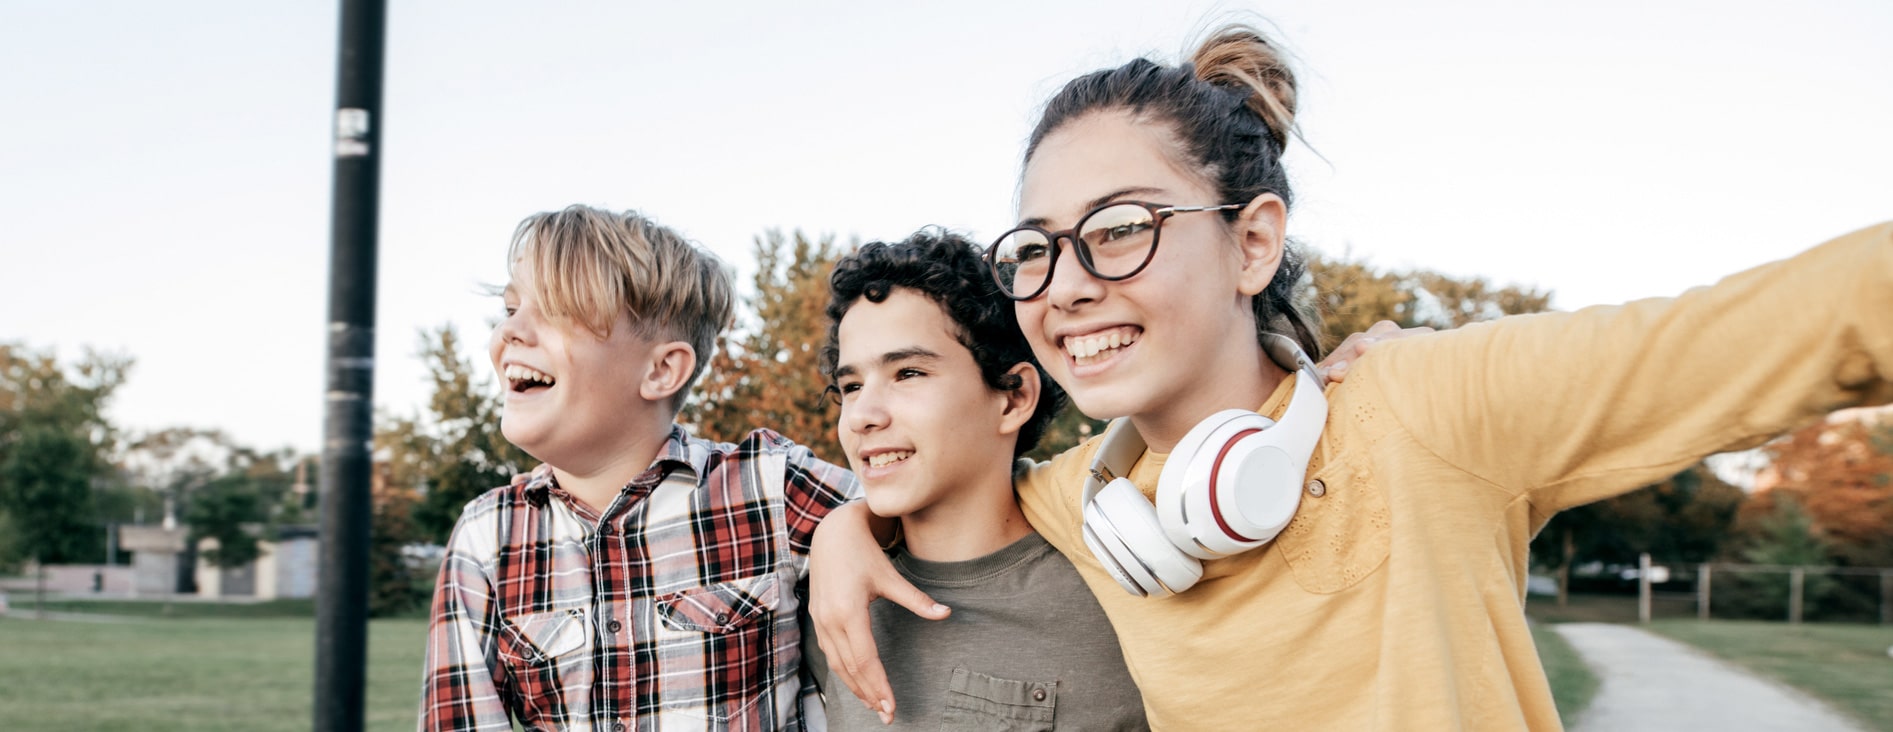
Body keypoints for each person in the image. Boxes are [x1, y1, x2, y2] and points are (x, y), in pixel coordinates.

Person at [807, 23, 1893, 730]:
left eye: (1123, 229)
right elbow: (926, 477)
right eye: (1039, 246)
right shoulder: (1082, 500)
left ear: (1253, 245)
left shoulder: (1434, 406)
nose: (1068, 285)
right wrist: (844, 533)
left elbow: (1816, 317)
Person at [419, 205, 859, 731]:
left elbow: (932, 517)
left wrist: (854, 525)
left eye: (556, 311)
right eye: (511, 308)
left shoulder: (770, 486)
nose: (511, 331)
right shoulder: (487, 537)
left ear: (661, 369)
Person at [803, 229, 1148, 730]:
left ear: (1012, 398)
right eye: (851, 385)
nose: (862, 416)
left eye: (908, 373)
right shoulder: (829, 604)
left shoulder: (1119, 587)